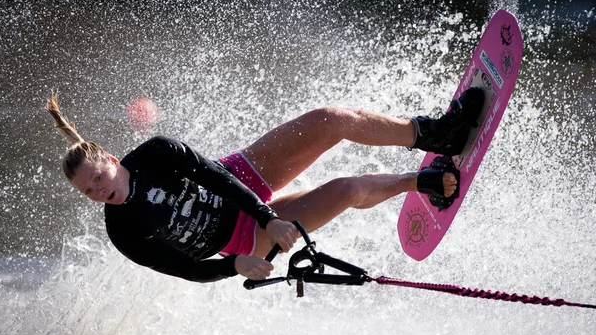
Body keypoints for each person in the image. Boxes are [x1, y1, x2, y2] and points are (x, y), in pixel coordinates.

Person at [46, 88, 484, 283]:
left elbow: (213, 175)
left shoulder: (157, 153)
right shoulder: (123, 231)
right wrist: (234, 265)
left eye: (98, 179)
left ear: (111, 160)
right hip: (243, 238)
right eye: (88, 192)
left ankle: (435, 133)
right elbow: (184, 268)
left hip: (241, 180)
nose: (98, 191)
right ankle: (418, 182)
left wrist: (269, 215)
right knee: (346, 190)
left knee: (331, 120)